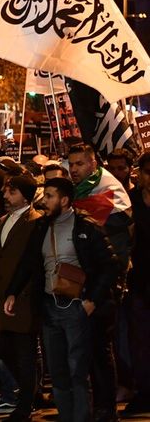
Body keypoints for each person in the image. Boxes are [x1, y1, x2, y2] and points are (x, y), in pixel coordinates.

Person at [4, 177, 122, 422]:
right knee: (58, 371)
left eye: (50, 196)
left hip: (77, 307)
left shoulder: (86, 226)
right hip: (49, 307)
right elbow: (29, 262)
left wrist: (92, 300)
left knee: (77, 370)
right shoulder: (41, 227)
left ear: (65, 200)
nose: (44, 201)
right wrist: (13, 292)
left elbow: (110, 265)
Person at [67, 144, 132, 421]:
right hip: (87, 283)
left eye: (80, 164)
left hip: (104, 285)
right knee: (91, 348)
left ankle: (106, 407)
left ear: (94, 164)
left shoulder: (107, 188)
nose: (74, 169)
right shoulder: (84, 189)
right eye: (71, 164)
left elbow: (112, 243)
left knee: (100, 347)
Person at [0, 175, 43, 421]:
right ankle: (32, 394)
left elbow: (33, 262)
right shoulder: (3, 220)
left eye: (12, 192)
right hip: (0, 296)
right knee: (4, 348)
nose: (5, 196)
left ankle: (26, 404)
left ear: (26, 196)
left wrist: (22, 292)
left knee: (24, 351)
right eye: (6, 191)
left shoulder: (36, 221)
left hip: (22, 297)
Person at [124, 152, 150, 416]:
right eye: (147, 172)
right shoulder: (130, 201)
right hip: (139, 281)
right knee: (140, 341)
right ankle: (144, 392)